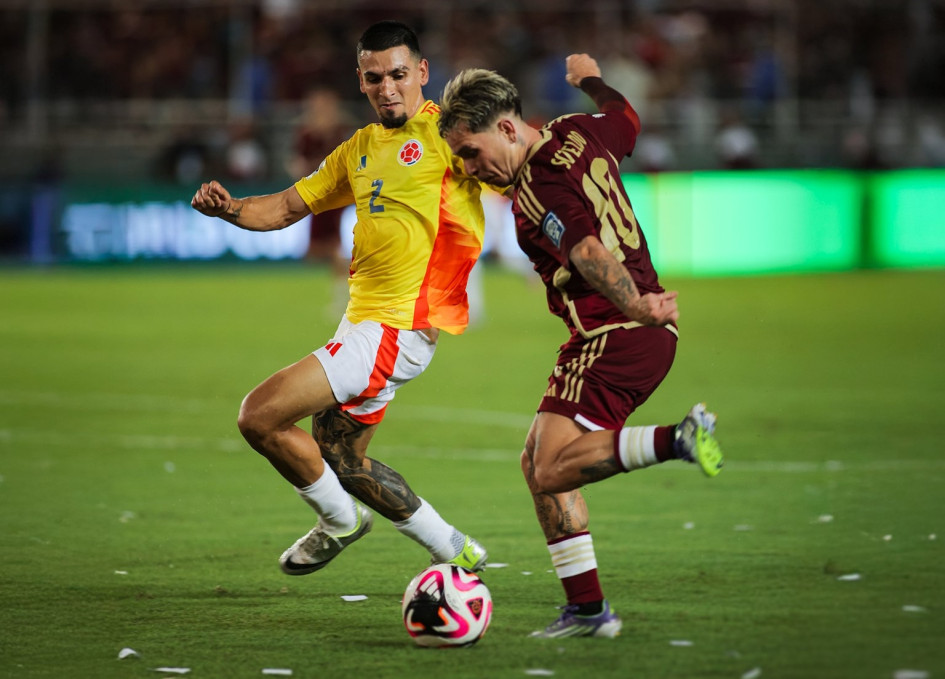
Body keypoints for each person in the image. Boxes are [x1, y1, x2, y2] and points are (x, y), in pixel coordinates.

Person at [190, 20, 489, 581]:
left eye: (400, 74)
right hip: (366, 327)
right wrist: (229, 208)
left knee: (258, 416)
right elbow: (282, 208)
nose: (389, 88)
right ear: (361, 80)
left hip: (396, 328)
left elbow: (513, 167)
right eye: (375, 78)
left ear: (422, 73)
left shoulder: (450, 135)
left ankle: (338, 522)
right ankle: (455, 549)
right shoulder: (358, 149)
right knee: (342, 458)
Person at [437, 54, 724, 638]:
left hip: (613, 336)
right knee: (537, 463)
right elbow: (627, 116)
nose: (469, 168)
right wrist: (590, 80)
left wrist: (636, 305)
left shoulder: (536, 191)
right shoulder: (580, 129)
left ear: (510, 128)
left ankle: (677, 439)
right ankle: (588, 611)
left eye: (472, 151)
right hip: (628, 335)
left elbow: (590, 253)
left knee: (549, 468)